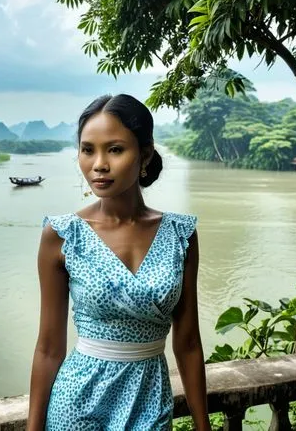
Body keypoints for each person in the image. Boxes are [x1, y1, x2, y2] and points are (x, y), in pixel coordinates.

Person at [27, 94, 211, 431]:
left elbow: (187, 344)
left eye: (114, 149)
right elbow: (49, 348)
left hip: (150, 400)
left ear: (145, 153)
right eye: (87, 150)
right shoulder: (63, 235)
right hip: (77, 405)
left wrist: (203, 426)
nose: (98, 164)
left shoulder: (179, 235)